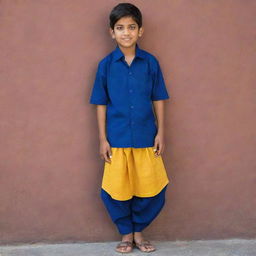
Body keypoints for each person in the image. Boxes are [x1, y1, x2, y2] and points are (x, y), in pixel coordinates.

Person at [89, 2, 171, 253]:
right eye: (120, 27)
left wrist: (161, 132)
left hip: (147, 137)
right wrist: (103, 139)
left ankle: (139, 231)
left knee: (152, 188)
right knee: (115, 190)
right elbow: (100, 103)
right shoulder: (105, 66)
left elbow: (158, 97)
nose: (126, 32)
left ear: (140, 31)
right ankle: (126, 233)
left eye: (132, 27)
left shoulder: (150, 63)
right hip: (117, 139)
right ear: (112, 32)